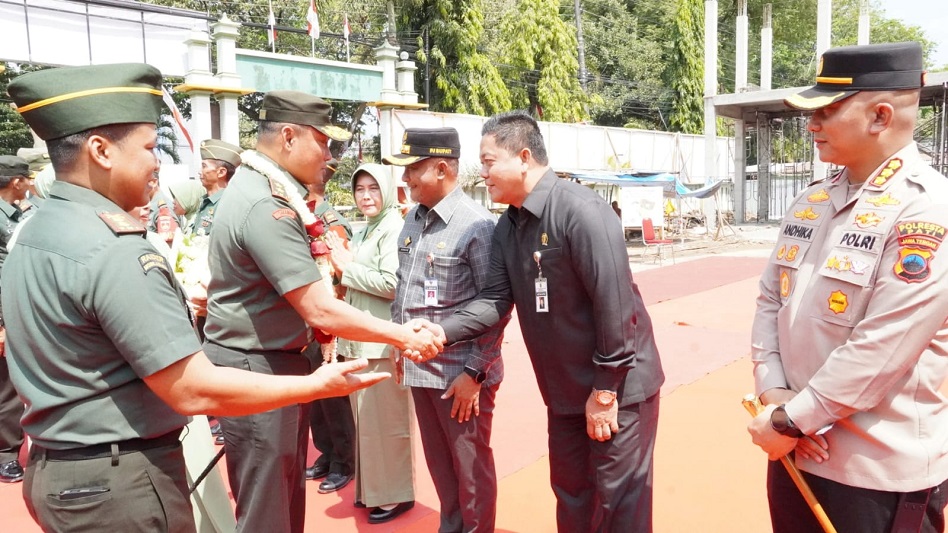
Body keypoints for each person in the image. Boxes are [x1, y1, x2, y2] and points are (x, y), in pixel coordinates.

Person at [4, 63, 396, 533]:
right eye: (149, 147)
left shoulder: (39, 229)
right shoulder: (111, 249)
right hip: (118, 482)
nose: (157, 163)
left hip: (66, 469)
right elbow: (193, 388)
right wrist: (317, 386)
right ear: (101, 151)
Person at [203, 89, 443, 533]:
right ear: (289, 137)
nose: (329, 155)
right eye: (324, 142)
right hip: (260, 367)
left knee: (280, 499)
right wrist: (403, 335)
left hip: (269, 363)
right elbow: (319, 307)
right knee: (267, 510)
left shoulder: (262, 191)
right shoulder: (264, 204)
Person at [429, 112, 665, 532]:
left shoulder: (581, 212)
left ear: (523, 157)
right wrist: (440, 330)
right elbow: (494, 301)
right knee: (572, 496)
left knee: (619, 505)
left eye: (488, 162)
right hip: (564, 393)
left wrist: (606, 392)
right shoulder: (508, 226)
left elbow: (616, 305)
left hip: (618, 387)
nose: (482, 174)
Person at [747, 41, 948, 533]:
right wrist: (774, 395)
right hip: (795, 451)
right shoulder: (812, 200)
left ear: (881, 116)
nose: (812, 124)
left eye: (828, 110)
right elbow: (771, 299)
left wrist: (792, 421)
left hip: (873, 473)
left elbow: (883, 347)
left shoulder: (925, 210)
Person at [388, 127, 507, 531]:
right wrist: (396, 339)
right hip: (422, 369)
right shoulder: (412, 220)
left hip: (460, 374)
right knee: (441, 467)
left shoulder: (478, 226)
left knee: (470, 470)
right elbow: (404, 287)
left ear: (441, 168)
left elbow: (496, 305)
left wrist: (476, 372)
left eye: (413, 170)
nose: (406, 179)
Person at [327, 162, 415, 523]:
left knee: (386, 424)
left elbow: (392, 284)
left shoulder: (393, 227)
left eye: (373, 189)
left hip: (382, 342)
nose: (365, 196)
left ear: (386, 190)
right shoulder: (367, 230)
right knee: (367, 424)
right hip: (361, 341)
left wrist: (345, 267)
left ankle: (396, 494)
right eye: (360, 190)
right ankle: (373, 491)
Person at [302, 159, 358, 494]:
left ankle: (344, 461)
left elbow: (341, 273)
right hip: (308, 320)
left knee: (334, 399)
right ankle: (326, 452)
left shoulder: (328, 221)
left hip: (330, 322)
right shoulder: (303, 214)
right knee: (316, 399)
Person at [0, 155, 29, 485]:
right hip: (3, 312)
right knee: (6, 388)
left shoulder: (16, 214)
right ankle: (6, 454)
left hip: (12, 308)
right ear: (16, 182)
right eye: (26, 178)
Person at [193, 139, 242, 237]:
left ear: (221, 172)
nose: (199, 171)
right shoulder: (206, 202)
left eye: (204, 166)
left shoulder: (228, 204)